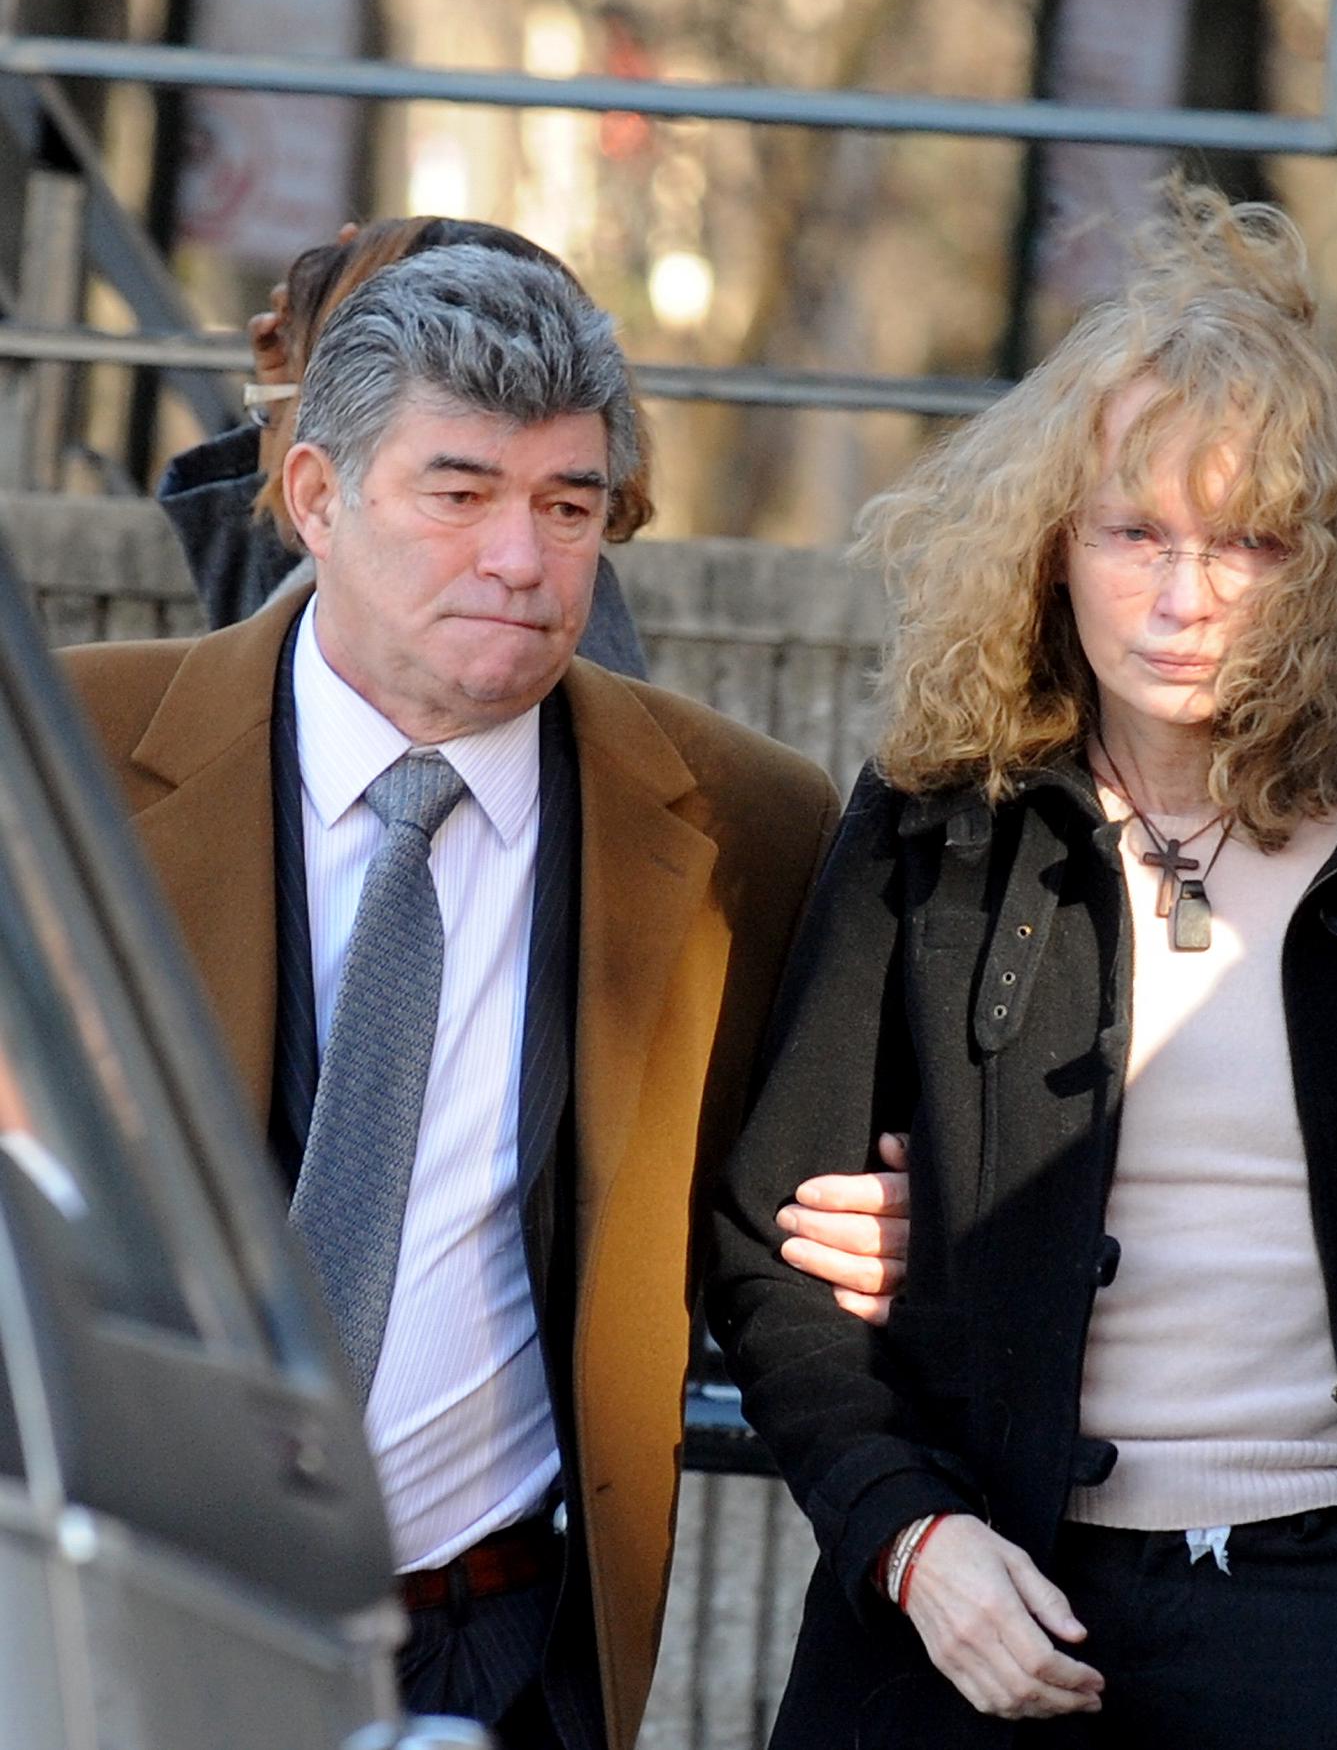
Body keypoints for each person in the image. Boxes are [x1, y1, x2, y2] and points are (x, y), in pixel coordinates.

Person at [708, 184, 1337, 1750]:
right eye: (1137, 533)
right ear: (1055, 546)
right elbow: (766, 1246)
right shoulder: (938, 820)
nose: (1183, 598)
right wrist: (910, 1539)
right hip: (983, 1597)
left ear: (1320, 564)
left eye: (1246, 544)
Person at [60, 245, 839, 1750]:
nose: (522, 558)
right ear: (313, 497)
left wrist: (893, 1219)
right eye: (459, 491)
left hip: (497, 1644)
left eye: (569, 505)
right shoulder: (77, 758)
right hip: (117, 1612)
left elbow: (789, 1196)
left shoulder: (747, 821)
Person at [155, 215, 651, 675]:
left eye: (565, 508)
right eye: (273, 408)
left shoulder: (520, 630)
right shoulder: (326, 597)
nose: (520, 564)